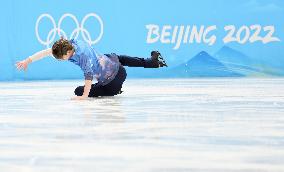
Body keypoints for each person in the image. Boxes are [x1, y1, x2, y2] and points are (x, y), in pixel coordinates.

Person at [15, 38, 167, 100]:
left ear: (68, 53)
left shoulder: (82, 57)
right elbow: (47, 52)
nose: (60, 60)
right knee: (112, 56)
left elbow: (88, 77)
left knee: (79, 90)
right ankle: (152, 63)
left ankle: (114, 89)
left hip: (112, 84)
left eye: (61, 58)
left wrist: (83, 97)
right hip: (119, 69)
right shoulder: (70, 43)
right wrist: (27, 61)